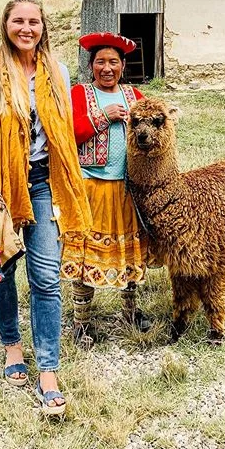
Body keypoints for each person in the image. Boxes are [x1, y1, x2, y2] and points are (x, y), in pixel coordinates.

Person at [0, 0, 92, 416]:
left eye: (34, 21)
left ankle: (47, 368)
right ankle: (13, 345)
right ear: (6, 24)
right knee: (0, 271)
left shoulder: (57, 71)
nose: (27, 29)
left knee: (47, 275)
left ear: (43, 27)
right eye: (19, 21)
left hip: (43, 183)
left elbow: (65, 132)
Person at [62, 32, 151, 347]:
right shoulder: (78, 94)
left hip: (127, 188)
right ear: (91, 65)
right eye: (100, 61)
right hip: (91, 188)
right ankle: (82, 323)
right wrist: (104, 116)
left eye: (114, 61)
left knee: (129, 252)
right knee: (87, 254)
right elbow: (70, 134)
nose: (107, 67)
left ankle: (129, 311)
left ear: (123, 65)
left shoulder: (135, 96)